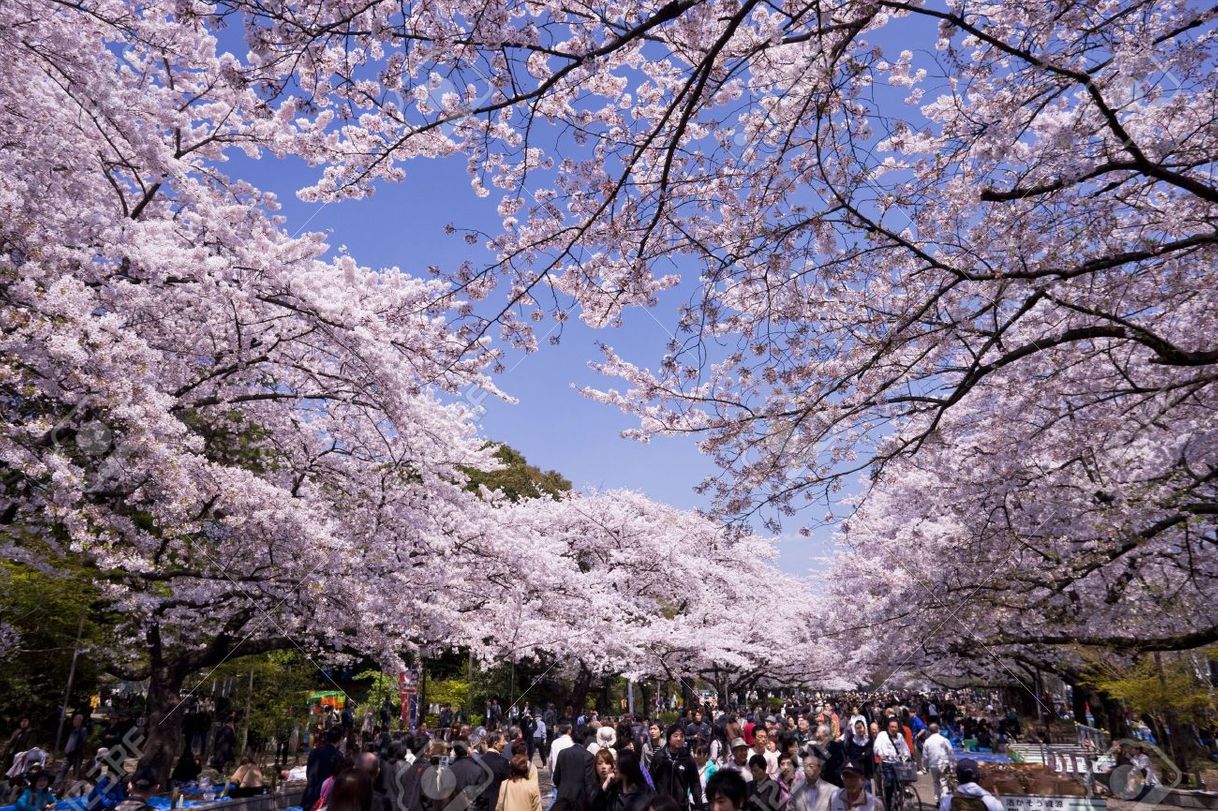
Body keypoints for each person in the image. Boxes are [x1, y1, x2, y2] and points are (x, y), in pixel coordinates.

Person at [649, 726, 702, 811]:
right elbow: (651, 781)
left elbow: (695, 783)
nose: (679, 739)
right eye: (676, 736)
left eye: (682, 736)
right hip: (661, 806)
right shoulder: (659, 757)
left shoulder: (688, 759)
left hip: (681, 806)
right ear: (669, 739)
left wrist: (699, 805)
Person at [303, 728, 346, 811]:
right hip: (324, 799)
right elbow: (338, 780)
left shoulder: (314, 752)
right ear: (340, 739)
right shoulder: (338, 756)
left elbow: (308, 773)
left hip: (309, 795)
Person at [554, 728, 597, 810]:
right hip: (580, 798)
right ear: (586, 738)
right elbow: (589, 783)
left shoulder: (562, 753)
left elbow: (556, 778)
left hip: (562, 796)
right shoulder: (589, 756)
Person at [872, 719, 910, 811]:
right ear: (888, 727)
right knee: (889, 782)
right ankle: (888, 805)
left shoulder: (900, 736)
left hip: (898, 763)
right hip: (887, 763)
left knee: (904, 780)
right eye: (892, 727)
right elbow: (876, 746)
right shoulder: (882, 735)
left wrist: (906, 757)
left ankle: (901, 795)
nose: (894, 729)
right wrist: (880, 754)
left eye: (895, 727)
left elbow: (905, 749)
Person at [920, 726, 952, 805]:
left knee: (936, 782)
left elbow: (925, 756)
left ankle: (938, 801)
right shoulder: (944, 740)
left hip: (933, 765)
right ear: (938, 730)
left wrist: (924, 767)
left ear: (930, 732)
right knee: (944, 782)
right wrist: (952, 765)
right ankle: (945, 802)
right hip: (944, 764)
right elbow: (951, 752)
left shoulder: (927, 741)